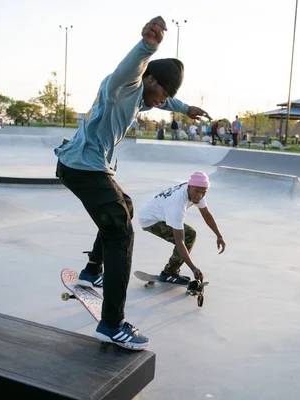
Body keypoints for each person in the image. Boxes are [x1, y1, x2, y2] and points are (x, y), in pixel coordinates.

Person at [54, 16, 211, 351]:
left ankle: (91, 271)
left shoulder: (145, 97)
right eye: (162, 92)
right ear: (149, 78)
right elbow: (130, 69)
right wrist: (148, 45)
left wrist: (186, 108)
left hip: (87, 166)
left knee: (123, 207)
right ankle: (112, 324)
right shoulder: (123, 86)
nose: (162, 100)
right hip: (84, 167)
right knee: (122, 233)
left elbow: (166, 100)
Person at [138, 172, 226, 284]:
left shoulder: (197, 190)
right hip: (149, 220)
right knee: (189, 235)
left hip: (160, 212)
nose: (199, 196)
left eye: (203, 193)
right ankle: (169, 273)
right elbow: (180, 243)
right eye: (197, 192)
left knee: (188, 235)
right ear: (188, 187)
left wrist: (219, 235)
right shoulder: (177, 205)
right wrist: (193, 268)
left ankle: (170, 270)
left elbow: (206, 214)